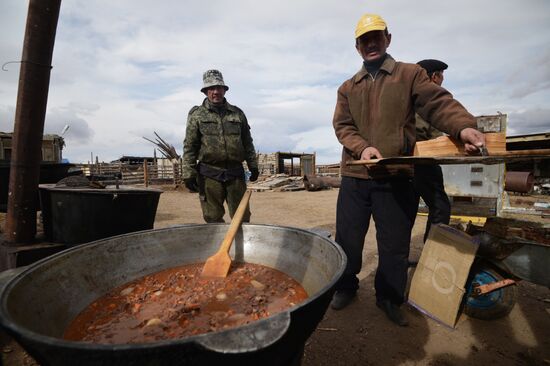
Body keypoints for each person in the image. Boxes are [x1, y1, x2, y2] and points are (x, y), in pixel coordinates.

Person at [330, 13, 486, 326]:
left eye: (377, 37)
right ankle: (346, 286)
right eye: (364, 40)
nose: (371, 43)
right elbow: (342, 126)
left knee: (395, 244)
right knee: (348, 239)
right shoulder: (348, 87)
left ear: (388, 39)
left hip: (397, 176)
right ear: (357, 47)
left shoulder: (409, 75)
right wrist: (363, 148)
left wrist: (464, 128)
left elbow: (439, 104)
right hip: (356, 177)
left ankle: (389, 297)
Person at [182, 69, 259, 223]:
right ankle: (218, 247)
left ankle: (241, 247)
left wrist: (253, 166)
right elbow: (190, 146)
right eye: (211, 88)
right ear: (205, 91)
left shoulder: (237, 114)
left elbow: (247, 142)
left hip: (235, 174)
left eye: (219, 88)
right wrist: (188, 173)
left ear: (224, 90)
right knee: (212, 218)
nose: (216, 92)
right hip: (209, 175)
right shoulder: (197, 115)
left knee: (242, 218)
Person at [414, 59, 452, 243]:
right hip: (422, 161)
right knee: (440, 207)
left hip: (405, 161)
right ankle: (431, 254)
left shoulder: (407, 94)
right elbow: (431, 134)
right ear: (434, 76)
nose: (443, 79)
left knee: (405, 210)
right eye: (441, 75)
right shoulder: (430, 96)